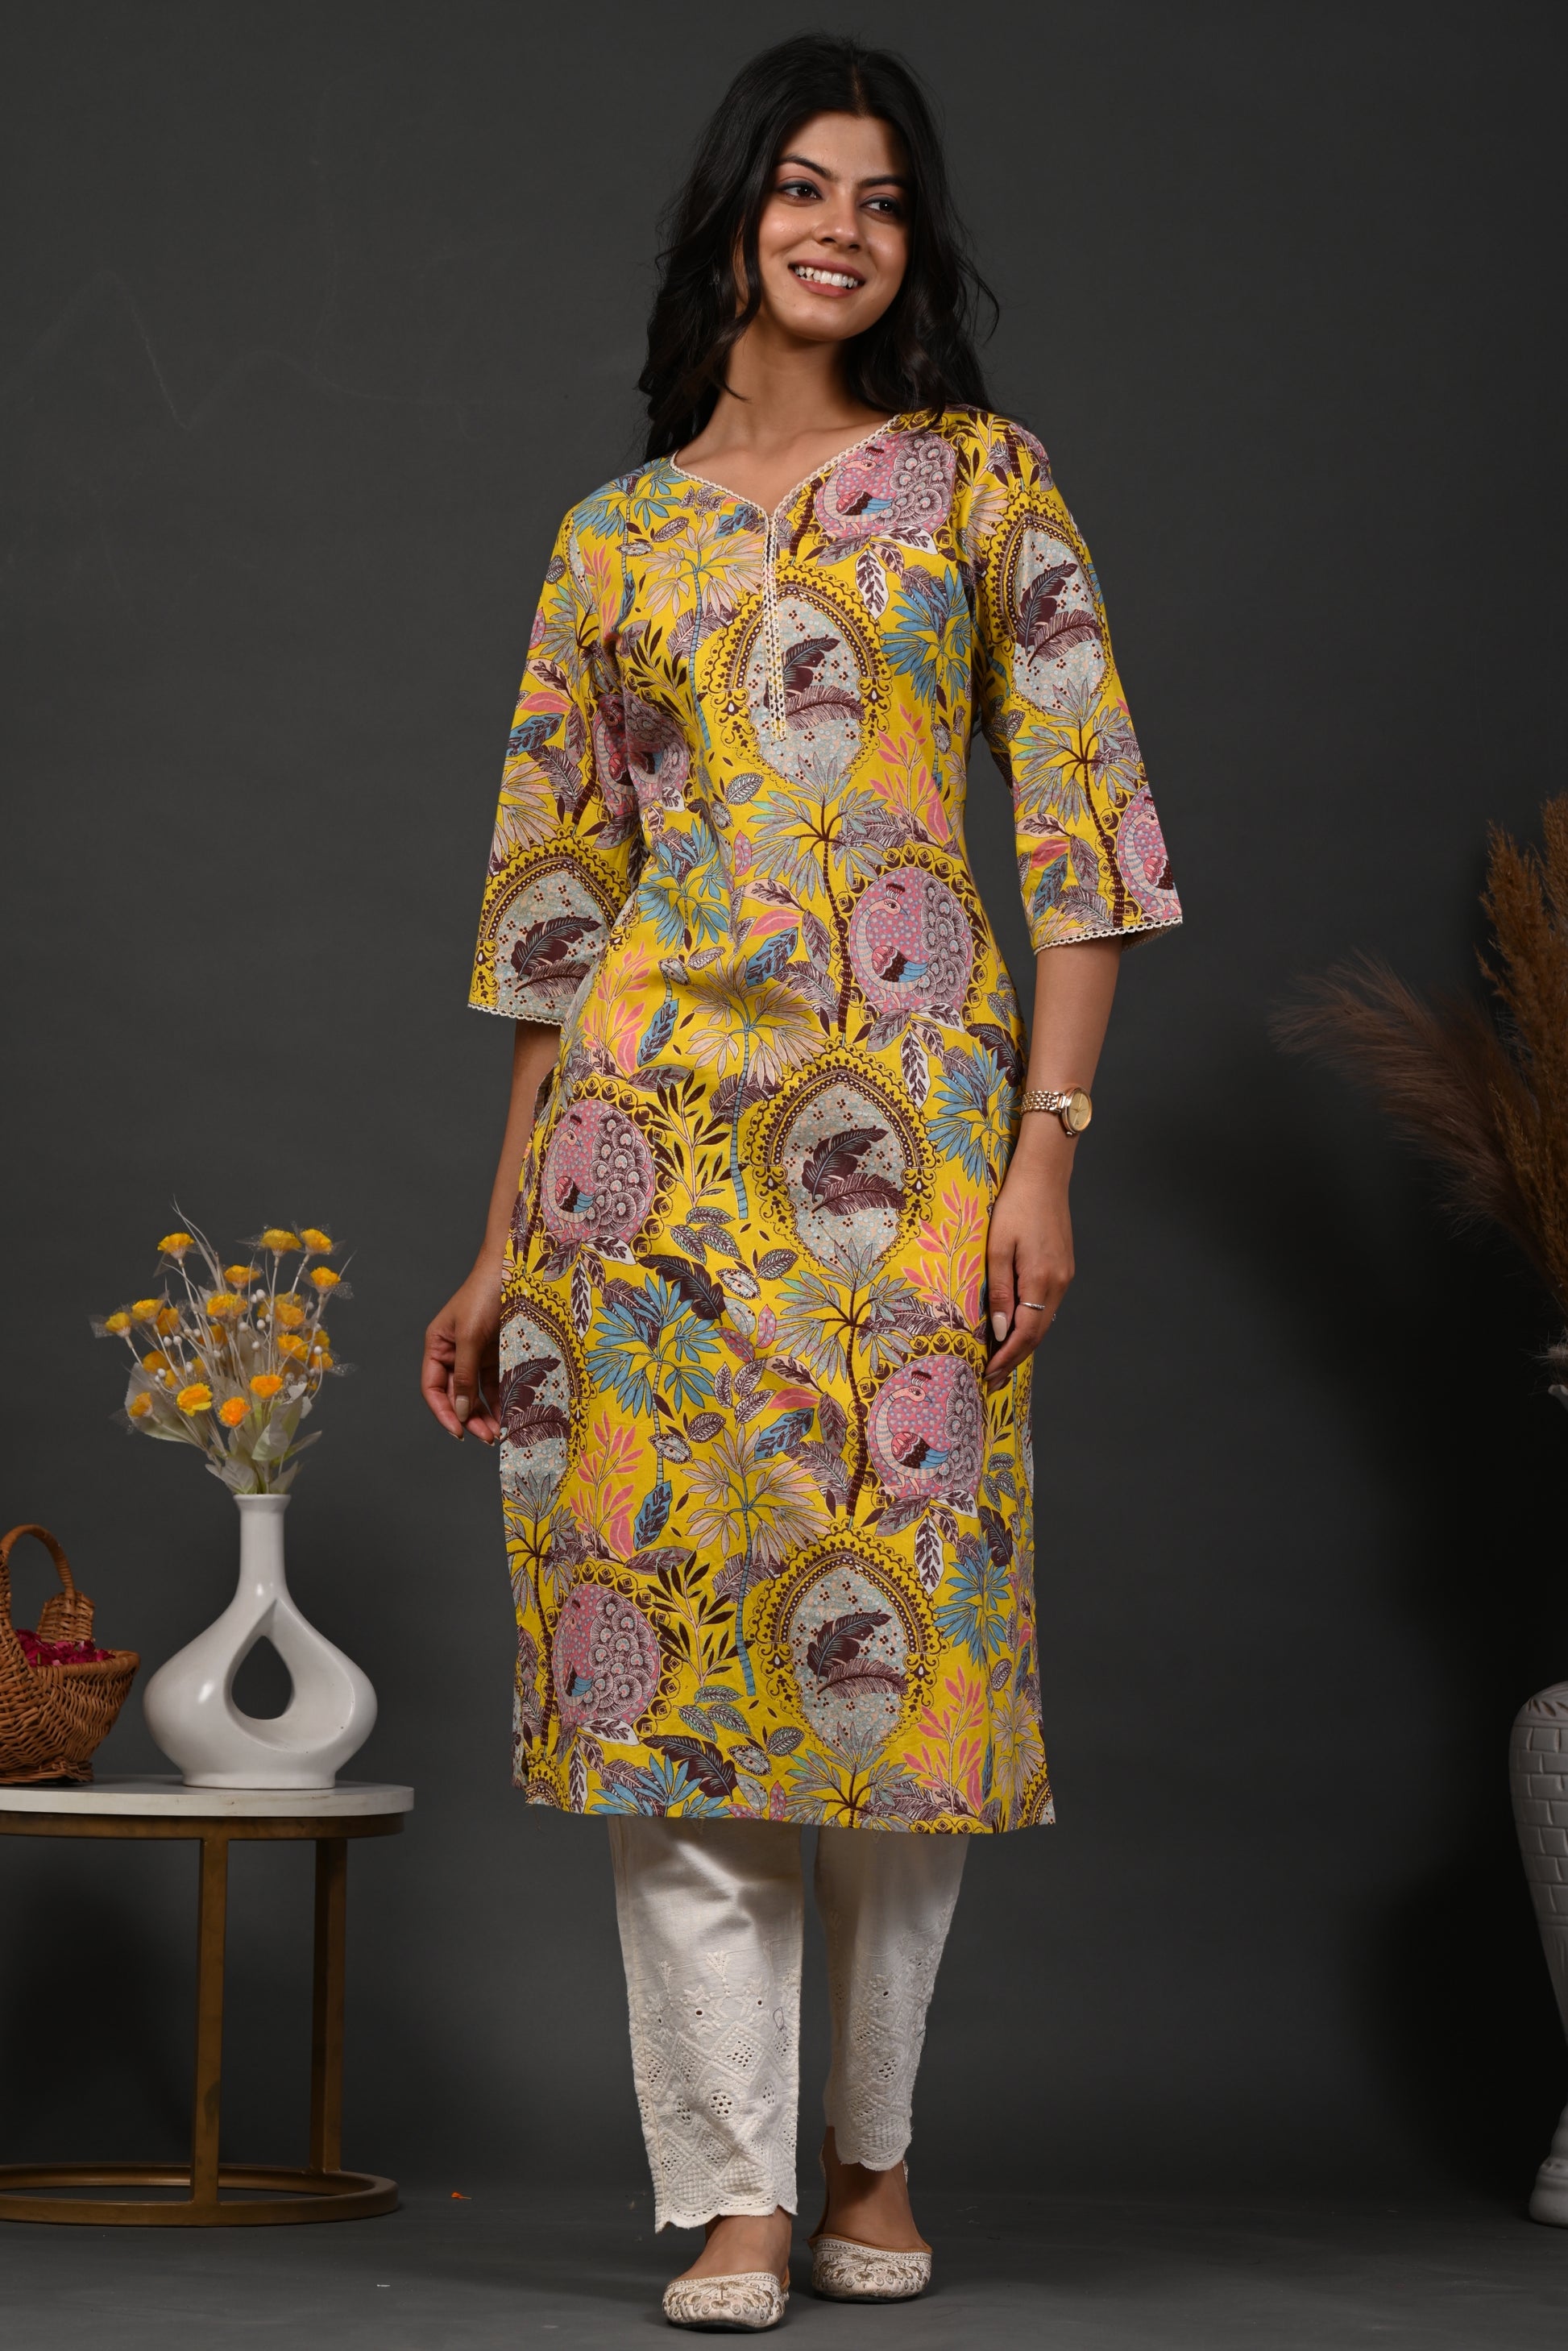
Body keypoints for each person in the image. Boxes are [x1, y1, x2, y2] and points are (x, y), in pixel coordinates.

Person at [422, 33, 1179, 2331]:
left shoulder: (979, 489)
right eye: (802, 187)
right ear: (733, 215)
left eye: (881, 198)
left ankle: (871, 2153)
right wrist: (497, 1235)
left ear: (908, 244)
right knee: (667, 1670)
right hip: (637, 1173)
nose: (840, 228)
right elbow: (556, 917)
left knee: (900, 1669)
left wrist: (1045, 1157)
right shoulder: (613, 538)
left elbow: (1088, 844)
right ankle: (733, 2193)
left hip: (908, 1160)